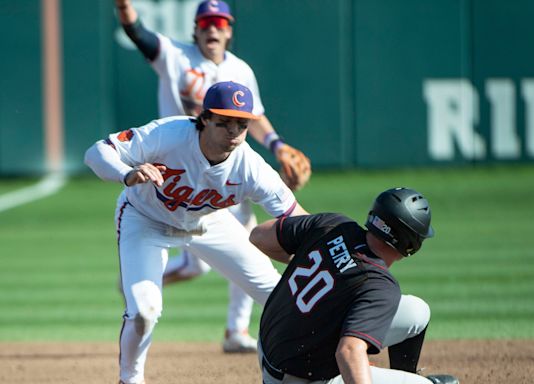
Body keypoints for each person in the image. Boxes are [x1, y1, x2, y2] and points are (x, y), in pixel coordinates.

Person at [114, 0, 312, 352]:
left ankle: (236, 331)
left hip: (224, 174)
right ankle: (140, 277)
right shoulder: (175, 55)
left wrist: (278, 145)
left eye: (220, 23)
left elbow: (255, 116)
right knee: (196, 268)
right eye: (206, 23)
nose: (213, 29)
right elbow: (138, 33)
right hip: (177, 169)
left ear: (230, 31)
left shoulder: (240, 70)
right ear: (196, 29)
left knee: (250, 245)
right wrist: (124, 6)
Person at [84, 81, 308, 384]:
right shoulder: (169, 134)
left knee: (279, 297)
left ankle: (301, 372)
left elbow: (299, 219)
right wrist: (126, 173)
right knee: (144, 311)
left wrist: (341, 244)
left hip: (210, 222)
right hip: (145, 219)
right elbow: (96, 153)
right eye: (224, 122)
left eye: (241, 124)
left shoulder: (251, 167)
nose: (233, 132)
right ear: (204, 120)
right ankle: (130, 379)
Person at [249, 187, 459, 384]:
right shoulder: (381, 287)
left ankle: (404, 375)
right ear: (411, 244)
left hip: (269, 345)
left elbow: (258, 236)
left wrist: (320, 261)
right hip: (300, 379)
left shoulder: (333, 224)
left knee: (417, 311)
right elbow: (348, 352)